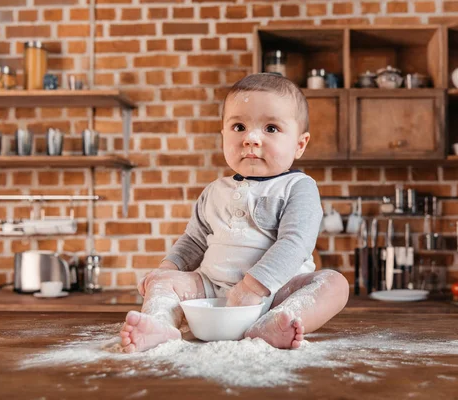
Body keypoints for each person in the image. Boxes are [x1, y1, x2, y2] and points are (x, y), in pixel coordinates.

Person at [119, 73, 350, 353]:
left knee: (334, 284)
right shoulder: (215, 190)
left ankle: (274, 324)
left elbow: (295, 243)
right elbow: (193, 242)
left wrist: (254, 287)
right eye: (239, 126)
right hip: (211, 288)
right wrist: (167, 270)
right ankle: (160, 325)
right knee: (162, 281)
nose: (251, 139)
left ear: (299, 144)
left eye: (271, 128)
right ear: (223, 135)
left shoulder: (298, 188)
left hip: (277, 293)